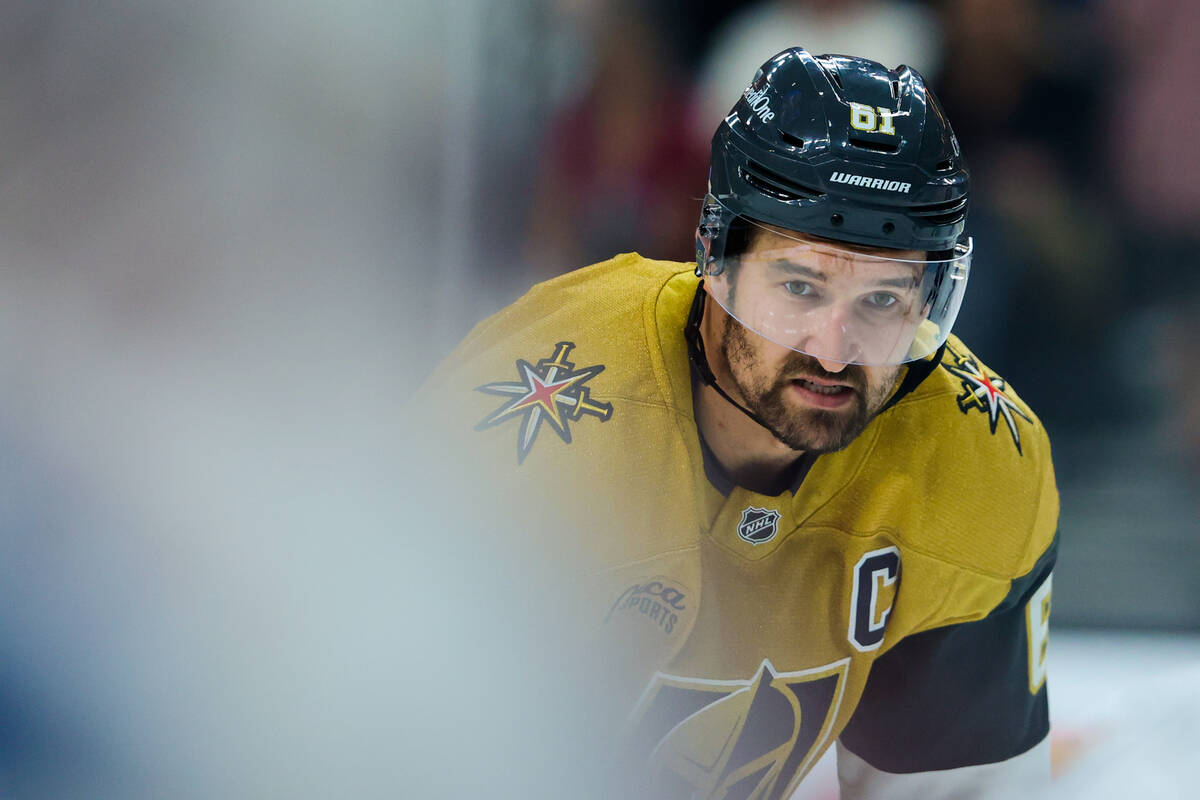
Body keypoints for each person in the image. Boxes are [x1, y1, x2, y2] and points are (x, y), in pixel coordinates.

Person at [411, 47, 1058, 799]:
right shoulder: (523, 428)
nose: (834, 349)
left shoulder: (976, 464)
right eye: (799, 285)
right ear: (715, 256)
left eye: (883, 301)